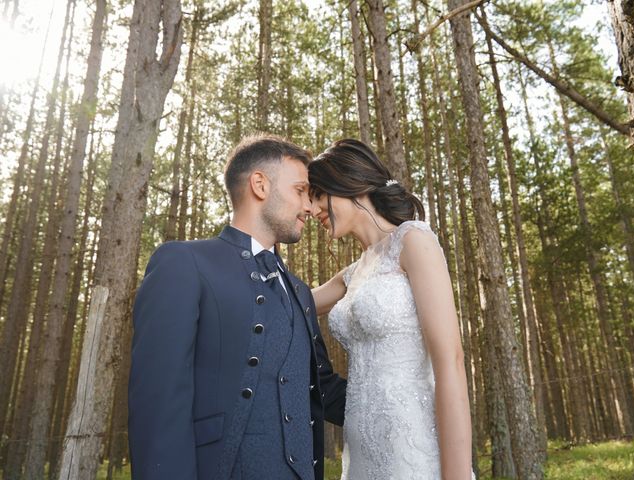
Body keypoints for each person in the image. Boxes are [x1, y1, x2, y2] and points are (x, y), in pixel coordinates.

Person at [128, 134, 346, 480]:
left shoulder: (301, 292)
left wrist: (399, 400)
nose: (309, 205)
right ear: (259, 184)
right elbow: (158, 408)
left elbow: (323, 389)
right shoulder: (185, 264)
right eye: (300, 190)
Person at [309, 139, 474, 480]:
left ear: (348, 184)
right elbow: (296, 303)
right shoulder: (355, 271)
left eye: (318, 196)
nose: (312, 211)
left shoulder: (413, 241)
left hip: (412, 449)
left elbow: (450, 361)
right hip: (362, 455)